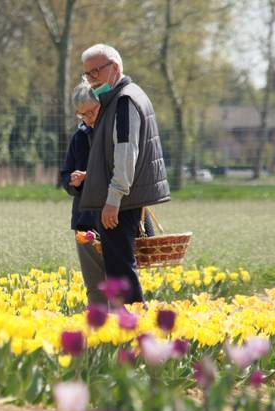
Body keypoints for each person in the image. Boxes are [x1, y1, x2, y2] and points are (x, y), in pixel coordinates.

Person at [79, 43, 170, 305]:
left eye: (95, 72)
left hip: (121, 202)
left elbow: (126, 151)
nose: (91, 80)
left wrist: (113, 198)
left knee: (121, 272)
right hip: (121, 199)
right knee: (120, 269)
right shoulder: (120, 98)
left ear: (115, 68)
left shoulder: (124, 101)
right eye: (87, 74)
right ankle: (129, 329)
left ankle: (132, 331)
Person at [60, 81, 107, 304]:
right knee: (95, 286)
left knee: (121, 284)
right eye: (82, 115)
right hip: (85, 219)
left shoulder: (114, 133)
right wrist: (74, 182)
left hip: (115, 215)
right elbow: (64, 176)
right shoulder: (79, 137)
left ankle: (124, 333)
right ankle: (100, 335)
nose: (88, 119)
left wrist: (92, 175)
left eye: (91, 112)